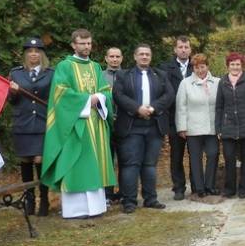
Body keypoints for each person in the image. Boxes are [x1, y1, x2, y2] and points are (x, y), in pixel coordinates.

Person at [41, 29, 116, 219]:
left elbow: (106, 90)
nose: (87, 47)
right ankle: (76, 210)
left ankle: (96, 208)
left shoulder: (96, 67)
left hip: (96, 124)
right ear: (73, 45)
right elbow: (60, 94)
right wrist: (86, 101)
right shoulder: (65, 67)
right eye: (82, 43)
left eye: (89, 43)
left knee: (94, 165)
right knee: (76, 164)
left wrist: (99, 97)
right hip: (75, 125)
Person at [113, 44, 175, 214]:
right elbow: (118, 96)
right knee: (131, 164)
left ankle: (150, 199)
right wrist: (137, 108)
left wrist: (153, 108)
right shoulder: (123, 75)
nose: (145, 57)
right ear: (135, 56)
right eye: (141, 54)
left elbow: (169, 95)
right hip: (131, 126)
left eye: (147, 54)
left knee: (149, 165)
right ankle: (129, 201)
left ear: (151, 57)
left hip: (154, 125)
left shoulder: (160, 75)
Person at [9, 37, 53, 216]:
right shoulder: (16, 73)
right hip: (23, 123)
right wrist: (12, 92)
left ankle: (44, 200)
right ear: (26, 55)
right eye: (30, 52)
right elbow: (11, 101)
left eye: (37, 51)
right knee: (25, 161)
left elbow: (56, 97)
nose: (33, 54)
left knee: (39, 160)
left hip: (43, 123)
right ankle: (29, 200)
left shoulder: (51, 73)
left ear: (41, 54)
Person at [215, 52, 245, 199]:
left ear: (242, 65)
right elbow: (219, 107)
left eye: (238, 64)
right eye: (232, 64)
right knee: (229, 159)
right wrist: (218, 128)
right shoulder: (222, 82)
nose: (235, 67)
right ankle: (229, 189)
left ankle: (244, 189)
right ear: (228, 66)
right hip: (228, 128)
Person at [176, 54, 220, 197]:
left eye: (202, 66)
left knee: (213, 154)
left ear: (207, 66)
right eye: (196, 67)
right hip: (193, 128)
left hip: (212, 127)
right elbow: (181, 106)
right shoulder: (185, 83)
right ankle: (199, 188)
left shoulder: (218, 82)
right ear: (193, 68)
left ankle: (210, 186)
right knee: (195, 158)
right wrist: (182, 127)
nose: (200, 70)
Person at [159, 36, 194, 200]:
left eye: (186, 47)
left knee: (194, 154)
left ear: (190, 49)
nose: (183, 50)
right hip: (174, 118)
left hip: (195, 118)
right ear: (175, 50)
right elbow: (164, 92)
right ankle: (179, 188)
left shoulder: (197, 66)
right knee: (177, 155)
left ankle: (197, 185)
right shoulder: (165, 68)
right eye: (180, 47)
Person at [102, 46, 123, 204]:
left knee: (125, 160)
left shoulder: (129, 75)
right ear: (106, 58)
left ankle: (124, 192)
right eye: (112, 56)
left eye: (117, 56)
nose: (114, 59)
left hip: (125, 124)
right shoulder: (99, 77)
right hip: (105, 124)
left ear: (122, 58)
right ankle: (107, 193)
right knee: (106, 159)